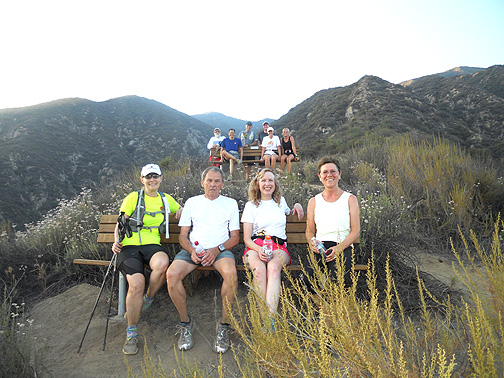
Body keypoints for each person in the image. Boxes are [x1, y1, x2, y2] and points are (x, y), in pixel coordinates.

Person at [166, 166, 239, 353]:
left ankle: (224, 325)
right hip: (194, 250)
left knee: (231, 274)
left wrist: (216, 250)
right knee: (172, 274)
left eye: (216, 181)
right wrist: (191, 250)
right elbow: (183, 236)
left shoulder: (230, 203)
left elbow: (234, 238)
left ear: (222, 184)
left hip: (220, 250)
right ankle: (185, 323)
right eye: (209, 180)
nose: (212, 184)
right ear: (202, 182)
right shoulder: (192, 202)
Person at [111, 163, 182, 355]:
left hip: (152, 243)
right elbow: (121, 222)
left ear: (161, 178)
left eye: (155, 176)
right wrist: (116, 241)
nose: (152, 179)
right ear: (142, 179)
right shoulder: (133, 198)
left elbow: (180, 209)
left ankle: (148, 298)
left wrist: (182, 212)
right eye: (148, 176)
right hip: (130, 245)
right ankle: (132, 333)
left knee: (162, 263)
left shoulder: (166, 199)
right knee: (136, 284)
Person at [242, 168, 304, 320]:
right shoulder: (251, 206)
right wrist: (259, 249)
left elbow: (290, 212)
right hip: (255, 246)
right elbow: (247, 238)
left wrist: (298, 204)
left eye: (270, 180)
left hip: (279, 247)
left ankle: (270, 319)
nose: (267, 184)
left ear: (275, 184)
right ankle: (264, 319)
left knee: (274, 268)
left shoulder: (280, 202)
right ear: (257, 184)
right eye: (263, 180)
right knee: (259, 270)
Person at [305, 157, 360, 288]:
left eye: (333, 171)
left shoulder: (350, 199)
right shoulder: (314, 201)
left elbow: (356, 230)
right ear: (319, 176)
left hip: (343, 246)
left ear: (339, 174)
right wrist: (312, 242)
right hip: (320, 247)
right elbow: (310, 230)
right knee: (308, 278)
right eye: (325, 172)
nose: (329, 175)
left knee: (337, 280)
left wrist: (339, 248)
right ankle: (322, 307)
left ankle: (337, 307)